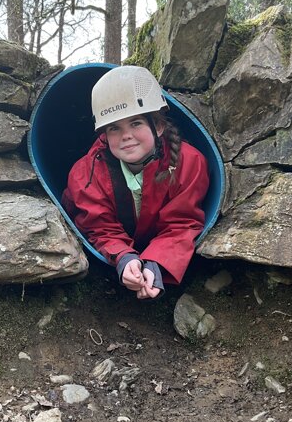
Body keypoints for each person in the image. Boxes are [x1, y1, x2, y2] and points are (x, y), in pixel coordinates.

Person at [62, 65, 209, 300]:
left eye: (136, 123)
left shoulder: (188, 162)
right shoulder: (85, 174)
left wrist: (156, 262)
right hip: (117, 247)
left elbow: (183, 222)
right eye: (114, 128)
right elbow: (98, 226)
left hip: (161, 246)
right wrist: (124, 257)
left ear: (158, 126)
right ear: (104, 135)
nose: (126, 135)